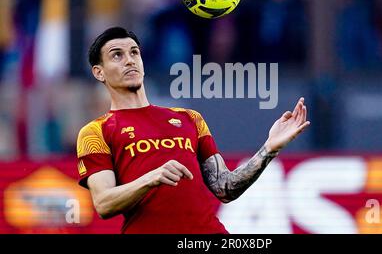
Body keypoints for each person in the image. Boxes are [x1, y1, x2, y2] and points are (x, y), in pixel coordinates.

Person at [76, 26, 310, 233]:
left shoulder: (188, 118)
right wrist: (150, 179)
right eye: (117, 55)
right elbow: (104, 204)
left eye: (134, 52)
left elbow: (224, 187)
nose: (129, 60)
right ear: (99, 72)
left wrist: (269, 148)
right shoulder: (95, 132)